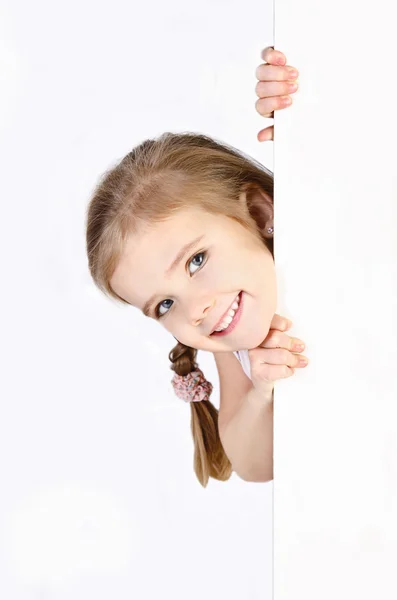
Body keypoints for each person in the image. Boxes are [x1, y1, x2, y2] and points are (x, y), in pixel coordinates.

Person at [85, 46, 308, 487]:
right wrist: (261, 392)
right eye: (165, 304)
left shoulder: (325, 234)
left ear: (260, 215)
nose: (195, 311)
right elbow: (254, 465)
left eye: (196, 261)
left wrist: (307, 103)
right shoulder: (238, 342)